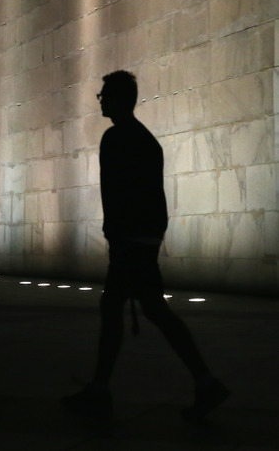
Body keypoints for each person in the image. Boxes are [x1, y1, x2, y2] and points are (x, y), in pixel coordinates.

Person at [62, 70, 229, 421]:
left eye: (105, 94)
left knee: (121, 308)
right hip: (143, 238)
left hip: (130, 240)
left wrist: (117, 237)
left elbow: (117, 195)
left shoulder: (116, 138)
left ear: (120, 99)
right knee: (148, 309)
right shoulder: (145, 140)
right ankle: (202, 381)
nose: (101, 100)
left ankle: (103, 389)